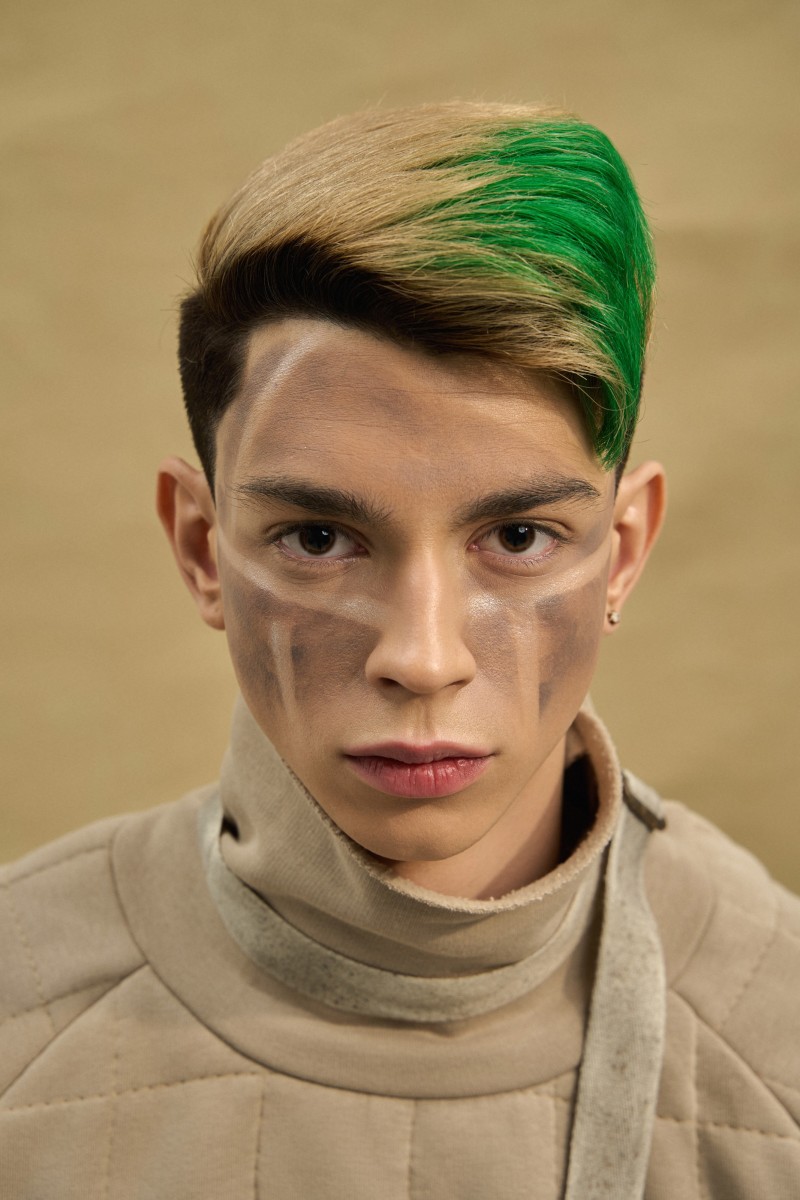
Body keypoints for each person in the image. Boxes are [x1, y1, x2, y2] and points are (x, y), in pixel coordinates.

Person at [1, 101, 798, 1199]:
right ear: (199, 547)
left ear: (620, 554)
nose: (422, 659)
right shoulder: (19, 1006)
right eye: (318, 539)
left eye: (516, 539)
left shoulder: (777, 1043)